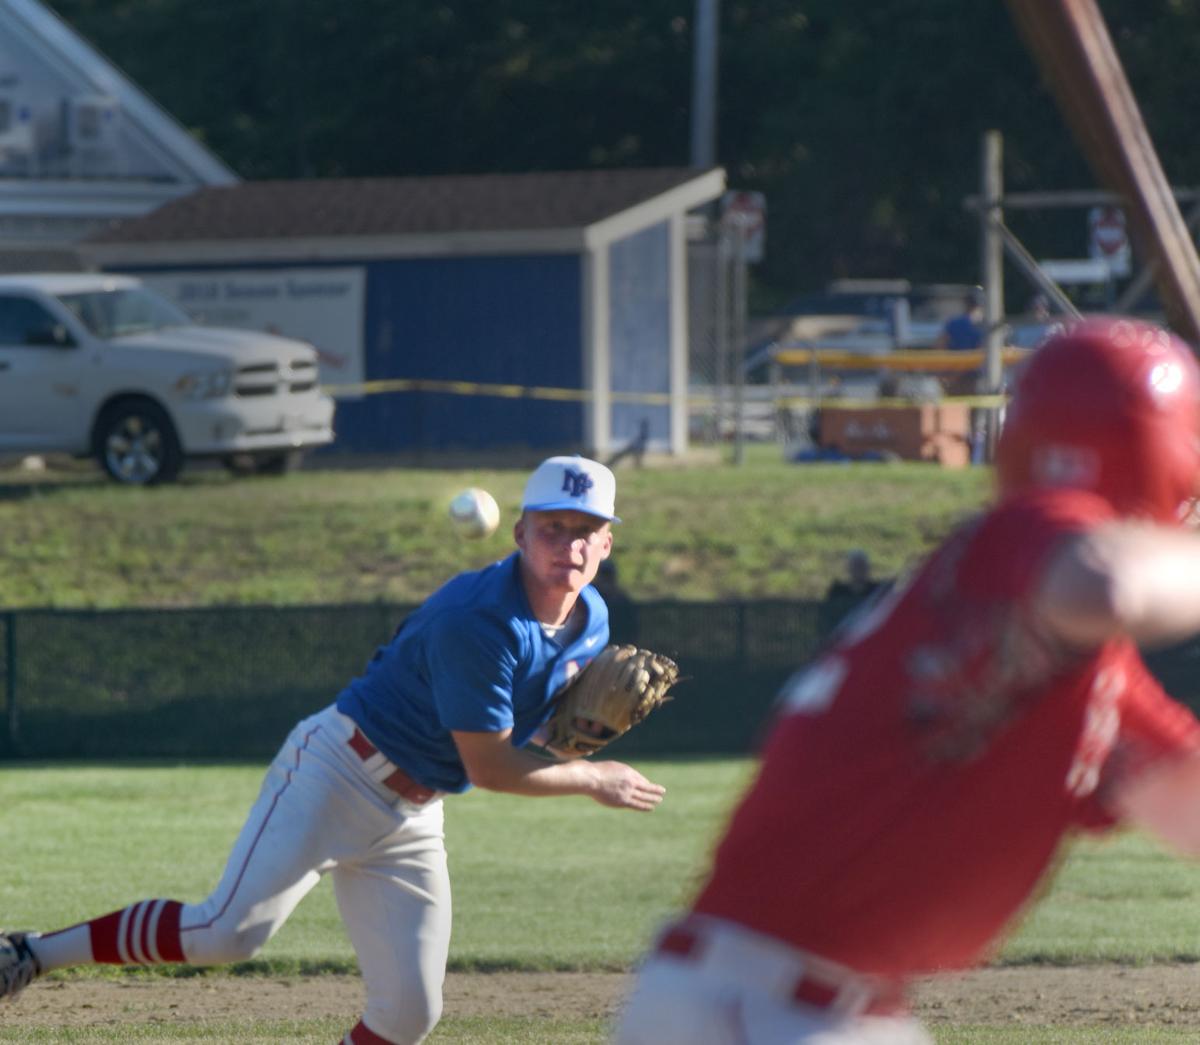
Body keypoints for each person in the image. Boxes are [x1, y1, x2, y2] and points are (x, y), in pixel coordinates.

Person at [614, 317, 1200, 1044]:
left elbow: (1186, 798)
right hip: (766, 1008)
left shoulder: (1067, 655)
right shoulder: (1019, 538)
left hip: (793, 1003)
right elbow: (1108, 583)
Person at [0, 454, 666, 1045]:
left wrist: (554, 738)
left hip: (412, 812)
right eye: (553, 527)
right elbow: (489, 767)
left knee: (408, 1013)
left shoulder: (593, 619)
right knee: (225, 934)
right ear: (521, 532)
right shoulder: (481, 622)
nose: (568, 546)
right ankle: (32, 951)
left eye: (584, 531)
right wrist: (589, 773)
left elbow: (522, 730)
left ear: (606, 543)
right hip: (339, 769)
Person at [818, 549, 886, 638]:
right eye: (855, 566)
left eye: (862, 566)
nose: (859, 570)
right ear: (848, 568)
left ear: (868, 568)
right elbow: (827, 619)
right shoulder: (838, 592)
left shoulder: (877, 591)